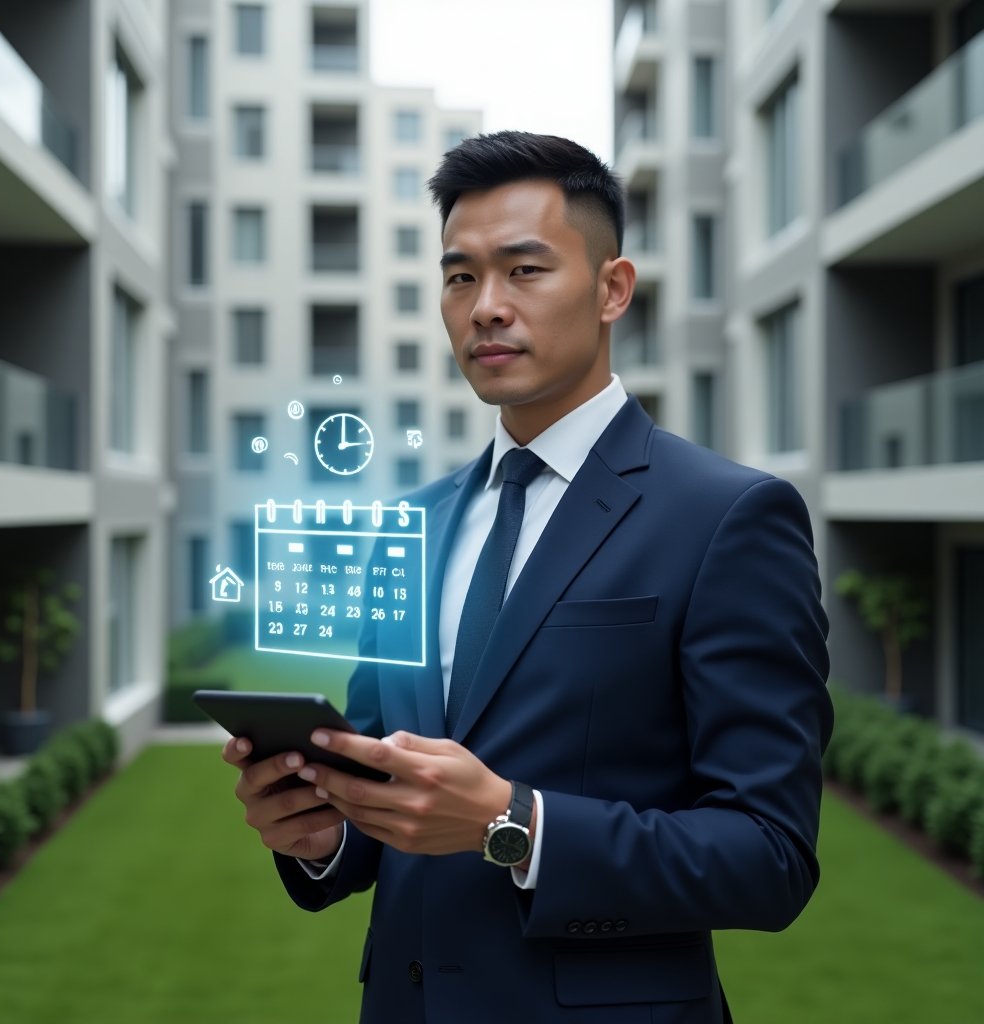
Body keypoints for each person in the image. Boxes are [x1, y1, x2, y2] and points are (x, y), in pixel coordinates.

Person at [223, 131, 832, 1024]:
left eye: (525, 271)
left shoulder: (728, 517)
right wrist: (323, 836)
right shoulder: (411, 525)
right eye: (461, 276)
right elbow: (386, 788)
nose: (485, 308)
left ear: (612, 289)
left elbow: (771, 855)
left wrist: (515, 825)